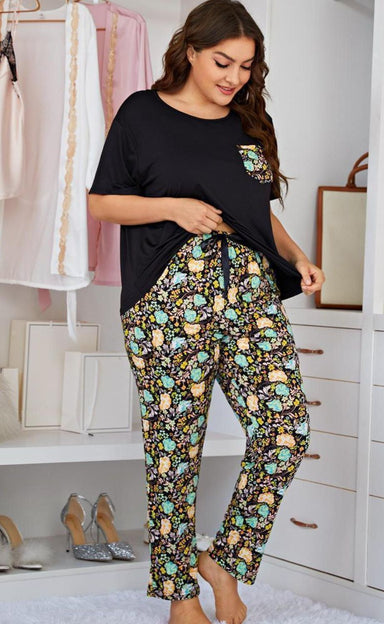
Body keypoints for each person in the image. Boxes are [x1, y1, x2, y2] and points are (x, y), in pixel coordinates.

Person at [88, 1, 325, 622]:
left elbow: (257, 211)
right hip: (169, 294)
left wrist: (298, 256)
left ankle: (223, 560)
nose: (234, 77)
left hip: (249, 289)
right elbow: (103, 202)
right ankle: (180, 596)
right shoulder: (142, 113)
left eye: (246, 66)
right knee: (175, 448)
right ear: (190, 50)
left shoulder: (249, 122)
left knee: (285, 430)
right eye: (223, 62)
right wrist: (173, 207)